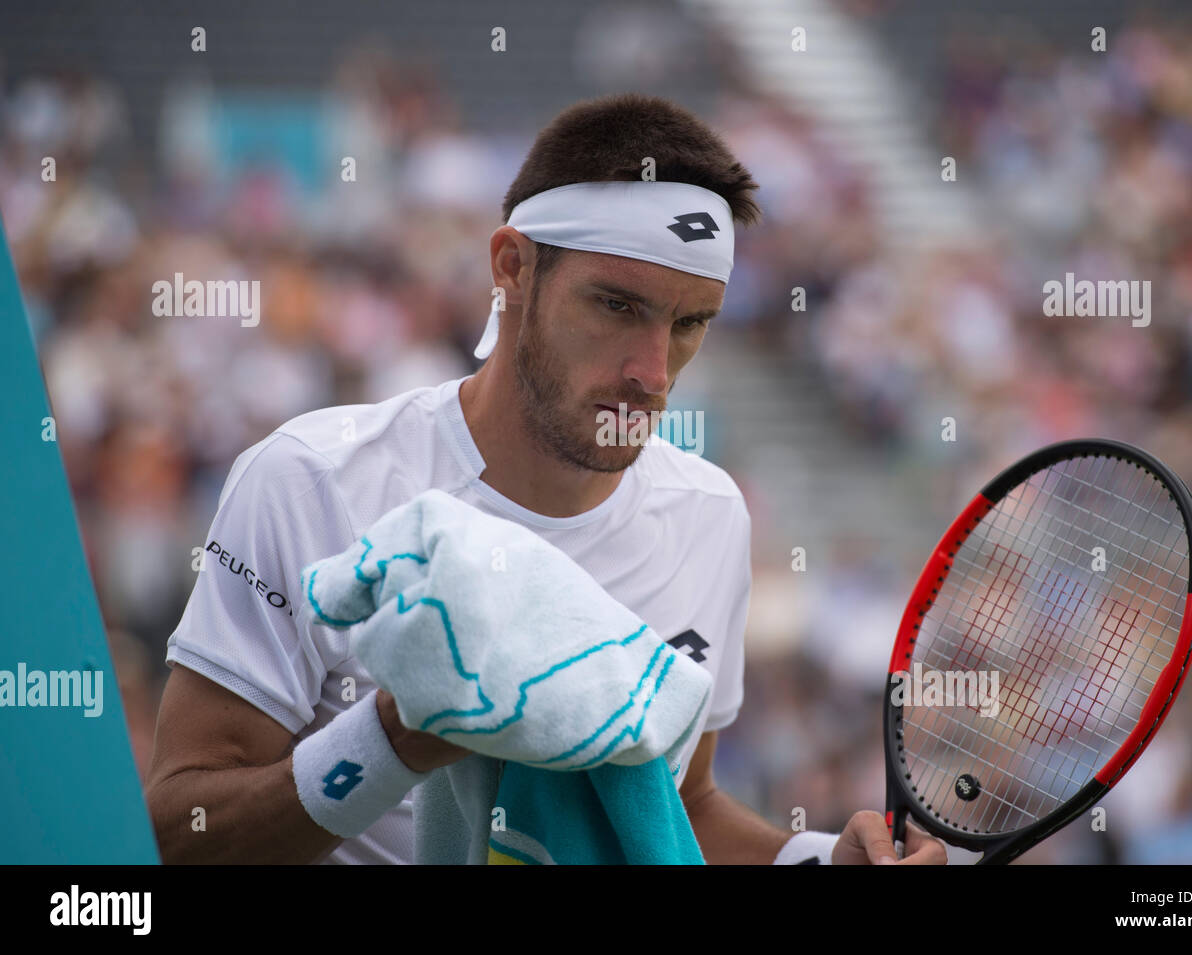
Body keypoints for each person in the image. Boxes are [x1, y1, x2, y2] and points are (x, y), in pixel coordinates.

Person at [145, 92, 946, 866]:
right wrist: (394, 741)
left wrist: (809, 857)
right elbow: (180, 834)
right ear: (512, 268)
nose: (654, 372)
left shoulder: (711, 515)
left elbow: (683, 803)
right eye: (617, 305)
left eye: (690, 322)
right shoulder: (308, 479)